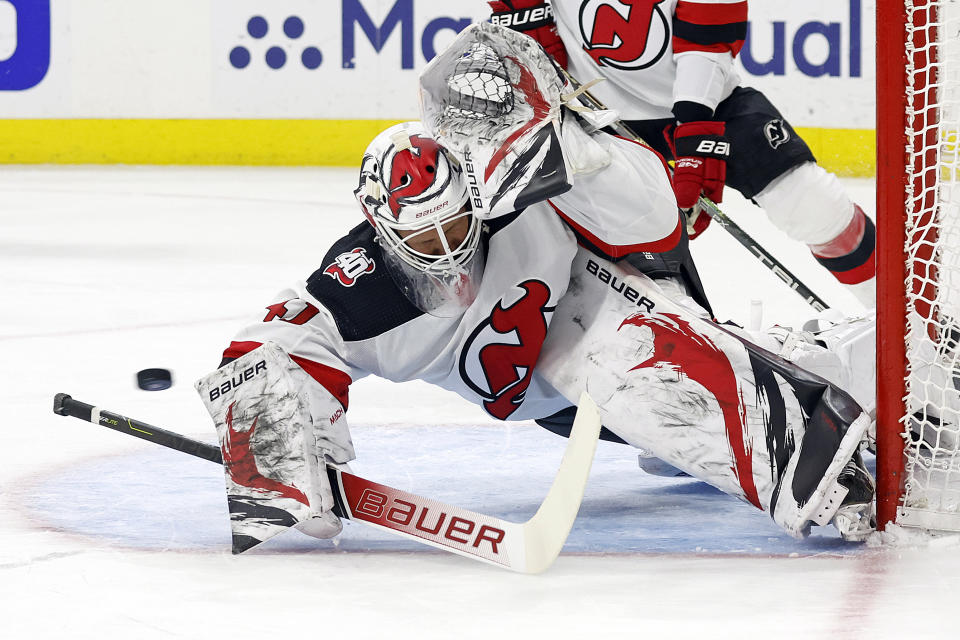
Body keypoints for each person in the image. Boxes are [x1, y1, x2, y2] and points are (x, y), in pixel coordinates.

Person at [195, 25, 875, 555]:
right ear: (382, 232)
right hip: (546, 401)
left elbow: (657, 218)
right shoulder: (368, 285)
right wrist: (276, 453)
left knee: (639, 358)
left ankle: (825, 410)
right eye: (424, 239)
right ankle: (754, 402)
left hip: (600, 302)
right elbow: (273, 339)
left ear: (472, 191)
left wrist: (561, 137)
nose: (447, 247)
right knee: (648, 399)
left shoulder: (513, 196)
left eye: (456, 220)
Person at [488, 0, 877, 308]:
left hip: (709, 107)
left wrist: (695, 137)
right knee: (601, 260)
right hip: (598, 117)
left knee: (816, 205)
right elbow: (526, 19)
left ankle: (907, 323)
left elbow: (705, 43)